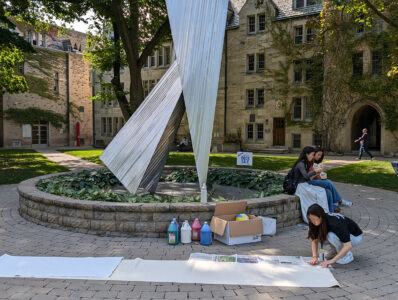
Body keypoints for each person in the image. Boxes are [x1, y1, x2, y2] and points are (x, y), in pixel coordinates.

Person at [307, 147, 352, 213]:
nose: (319, 157)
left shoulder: (318, 163)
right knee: (328, 182)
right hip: (309, 182)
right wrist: (317, 172)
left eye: (321, 155)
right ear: (314, 153)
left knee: (328, 192)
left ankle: (331, 213)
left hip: (317, 181)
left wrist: (322, 174)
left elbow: (319, 177)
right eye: (318, 155)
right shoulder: (309, 162)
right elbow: (308, 177)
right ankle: (340, 201)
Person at [293, 146, 329, 222]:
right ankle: (315, 218)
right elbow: (305, 176)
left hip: (305, 184)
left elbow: (308, 178)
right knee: (318, 192)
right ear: (307, 154)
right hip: (300, 186)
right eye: (312, 155)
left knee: (322, 190)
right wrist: (316, 171)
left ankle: (324, 214)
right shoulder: (301, 163)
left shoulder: (306, 163)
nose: (313, 157)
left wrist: (317, 172)